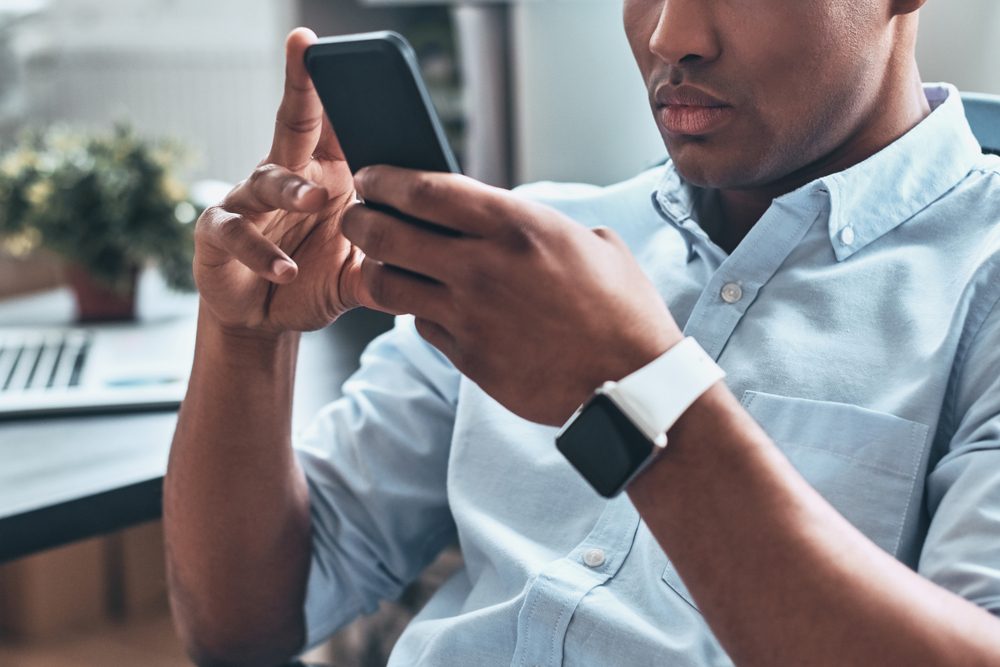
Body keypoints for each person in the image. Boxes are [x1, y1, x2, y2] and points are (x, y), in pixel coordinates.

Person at [164, 0, 1000, 665]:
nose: (671, 35)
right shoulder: (529, 248)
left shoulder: (982, 282)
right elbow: (242, 623)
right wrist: (245, 340)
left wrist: (640, 388)